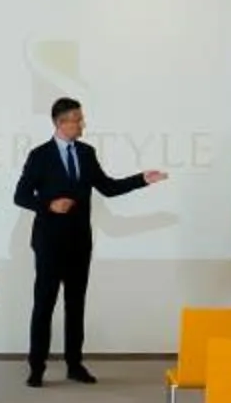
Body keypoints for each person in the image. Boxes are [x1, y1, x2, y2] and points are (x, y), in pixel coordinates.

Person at [11, 96, 165, 387]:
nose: (83, 124)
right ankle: (36, 367)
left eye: (81, 119)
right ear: (61, 123)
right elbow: (20, 196)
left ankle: (74, 364)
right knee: (44, 304)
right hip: (49, 242)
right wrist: (49, 205)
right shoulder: (40, 155)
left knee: (75, 304)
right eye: (78, 120)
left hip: (79, 242)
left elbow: (108, 187)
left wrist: (141, 179)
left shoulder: (86, 152)